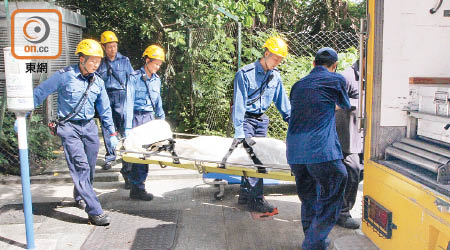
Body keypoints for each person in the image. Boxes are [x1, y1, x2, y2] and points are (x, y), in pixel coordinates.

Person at [33, 39, 118, 226]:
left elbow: (105, 110)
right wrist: (23, 113)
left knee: (90, 165)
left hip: (89, 127)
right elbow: (41, 91)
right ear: (81, 59)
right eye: (92, 60)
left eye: (99, 61)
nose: (96, 64)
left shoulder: (98, 82)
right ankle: (95, 211)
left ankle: (80, 195)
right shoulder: (65, 76)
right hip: (69, 127)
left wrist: (111, 134)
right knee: (81, 167)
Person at [286, 47, 351, 249]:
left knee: (308, 197)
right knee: (338, 181)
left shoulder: (297, 85)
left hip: (295, 152)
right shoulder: (336, 79)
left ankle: (316, 240)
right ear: (334, 66)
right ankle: (313, 242)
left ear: (313, 64)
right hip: (320, 151)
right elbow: (344, 105)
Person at [232, 36, 291, 215]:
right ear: (266, 54)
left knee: (255, 158)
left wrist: (294, 123)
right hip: (247, 120)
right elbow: (239, 104)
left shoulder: (275, 77)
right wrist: (239, 132)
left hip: (261, 120)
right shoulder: (245, 74)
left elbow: (284, 105)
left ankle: (244, 194)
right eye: (275, 59)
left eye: (280, 60)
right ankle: (256, 200)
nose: (277, 63)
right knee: (255, 159)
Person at [123, 45, 166, 201]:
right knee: (135, 153)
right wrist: (128, 126)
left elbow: (158, 100)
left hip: (149, 118)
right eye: (155, 64)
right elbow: (128, 102)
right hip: (135, 117)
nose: (157, 67)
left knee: (146, 155)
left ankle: (139, 186)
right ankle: (135, 185)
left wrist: (161, 118)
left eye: (160, 65)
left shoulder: (157, 80)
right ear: (147, 60)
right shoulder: (134, 78)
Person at [97, 31, 134, 184]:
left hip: (121, 96)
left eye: (115, 46)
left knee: (124, 127)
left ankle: (126, 157)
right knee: (108, 127)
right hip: (105, 97)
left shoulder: (124, 61)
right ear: (104, 47)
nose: (113, 49)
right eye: (109, 46)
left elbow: (131, 80)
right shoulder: (99, 62)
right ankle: (110, 156)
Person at [335, 60, 363, 229]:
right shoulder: (346, 77)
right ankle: (342, 213)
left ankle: (339, 209)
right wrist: (356, 104)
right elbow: (332, 104)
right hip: (347, 138)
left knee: (359, 173)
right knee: (352, 172)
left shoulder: (371, 76)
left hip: (361, 137)